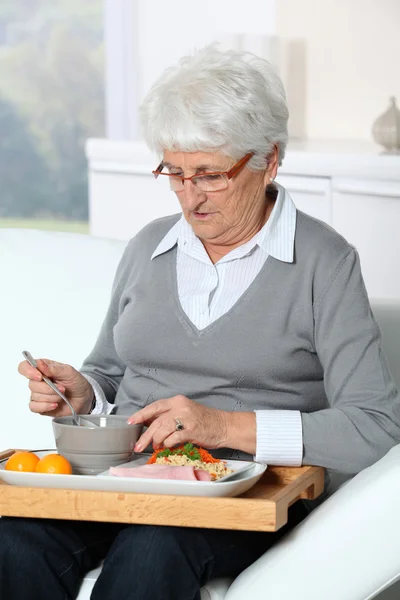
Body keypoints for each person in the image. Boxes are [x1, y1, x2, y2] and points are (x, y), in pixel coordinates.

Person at [1, 44, 400, 600]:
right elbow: (110, 371)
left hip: (239, 494)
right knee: (13, 540)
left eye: (210, 175)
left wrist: (221, 427)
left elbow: (375, 424)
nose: (190, 197)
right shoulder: (148, 248)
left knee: (153, 549)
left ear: (269, 161)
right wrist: (85, 392)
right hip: (125, 478)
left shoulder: (324, 264)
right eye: (176, 173)